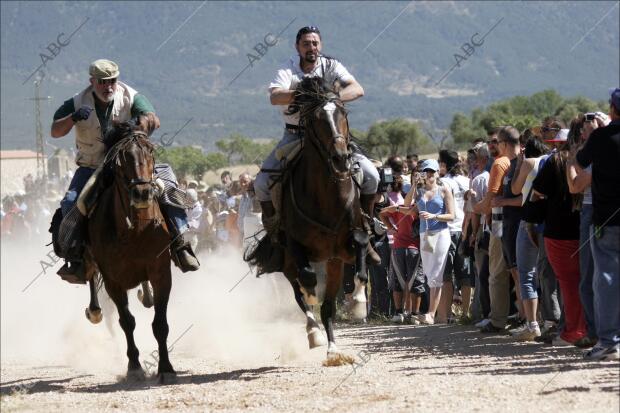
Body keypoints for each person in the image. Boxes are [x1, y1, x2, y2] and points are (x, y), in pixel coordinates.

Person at [50, 59, 199, 279]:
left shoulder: (132, 96)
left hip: (128, 164)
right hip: (91, 166)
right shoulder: (76, 101)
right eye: (102, 82)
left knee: (167, 188)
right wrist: (72, 118)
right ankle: (77, 258)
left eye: (112, 81)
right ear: (92, 81)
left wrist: (139, 124)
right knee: (71, 203)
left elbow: (153, 119)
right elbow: (55, 131)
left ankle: (180, 244)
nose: (108, 86)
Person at [253, 25, 380, 264]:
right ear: (297, 47)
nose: (311, 48)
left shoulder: (331, 66)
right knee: (261, 183)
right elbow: (275, 96)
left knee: (372, 175)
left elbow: (357, 89)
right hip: (295, 135)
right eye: (306, 44)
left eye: (315, 43)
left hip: (330, 134)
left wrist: (328, 99)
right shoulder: (288, 69)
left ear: (320, 45)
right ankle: (275, 237)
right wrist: (305, 95)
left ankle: (366, 231)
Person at [574, 88, 620, 361]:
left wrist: (596, 135)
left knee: (605, 281)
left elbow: (579, 164)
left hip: (606, 219)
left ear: (612, 110)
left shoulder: (601, 137)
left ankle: (609, 341)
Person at [533, 128, 587, 346]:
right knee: (585, 281)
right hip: (583, 225)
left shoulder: (555, 162)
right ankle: (585, 328)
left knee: (568, 283)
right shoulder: (587, 160)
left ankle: (573, 332)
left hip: (557, 229)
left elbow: (538, 191)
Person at [509, 134, 549, 340]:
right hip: (550, 221)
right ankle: (549, 319)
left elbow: (515, 189)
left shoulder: (530, 162)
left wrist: (519, 164)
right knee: (548, 273)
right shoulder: (551, 160)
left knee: (526, 273)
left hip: (528, 220)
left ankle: (532, 323)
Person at [409, 159, 455, 325]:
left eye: (431, 171)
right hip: (424, 234)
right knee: (428, 273)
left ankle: (431, 313)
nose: (428, 174)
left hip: (441, 234)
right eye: (425, 171)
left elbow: (452, 215)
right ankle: (431, 313)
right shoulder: (419, 191)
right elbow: (408, 205)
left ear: (437, 173)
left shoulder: (443, 190)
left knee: (437, 273)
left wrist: (434, 216)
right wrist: (414, 185)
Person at [437, 149, 470, 323]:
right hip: (464, 228)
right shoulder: (467, 180)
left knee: (447, 274)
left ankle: (447, 314)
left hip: (447, 230)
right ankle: (466, 313)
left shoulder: (442, 182)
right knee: (464, 273)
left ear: (443, 164)